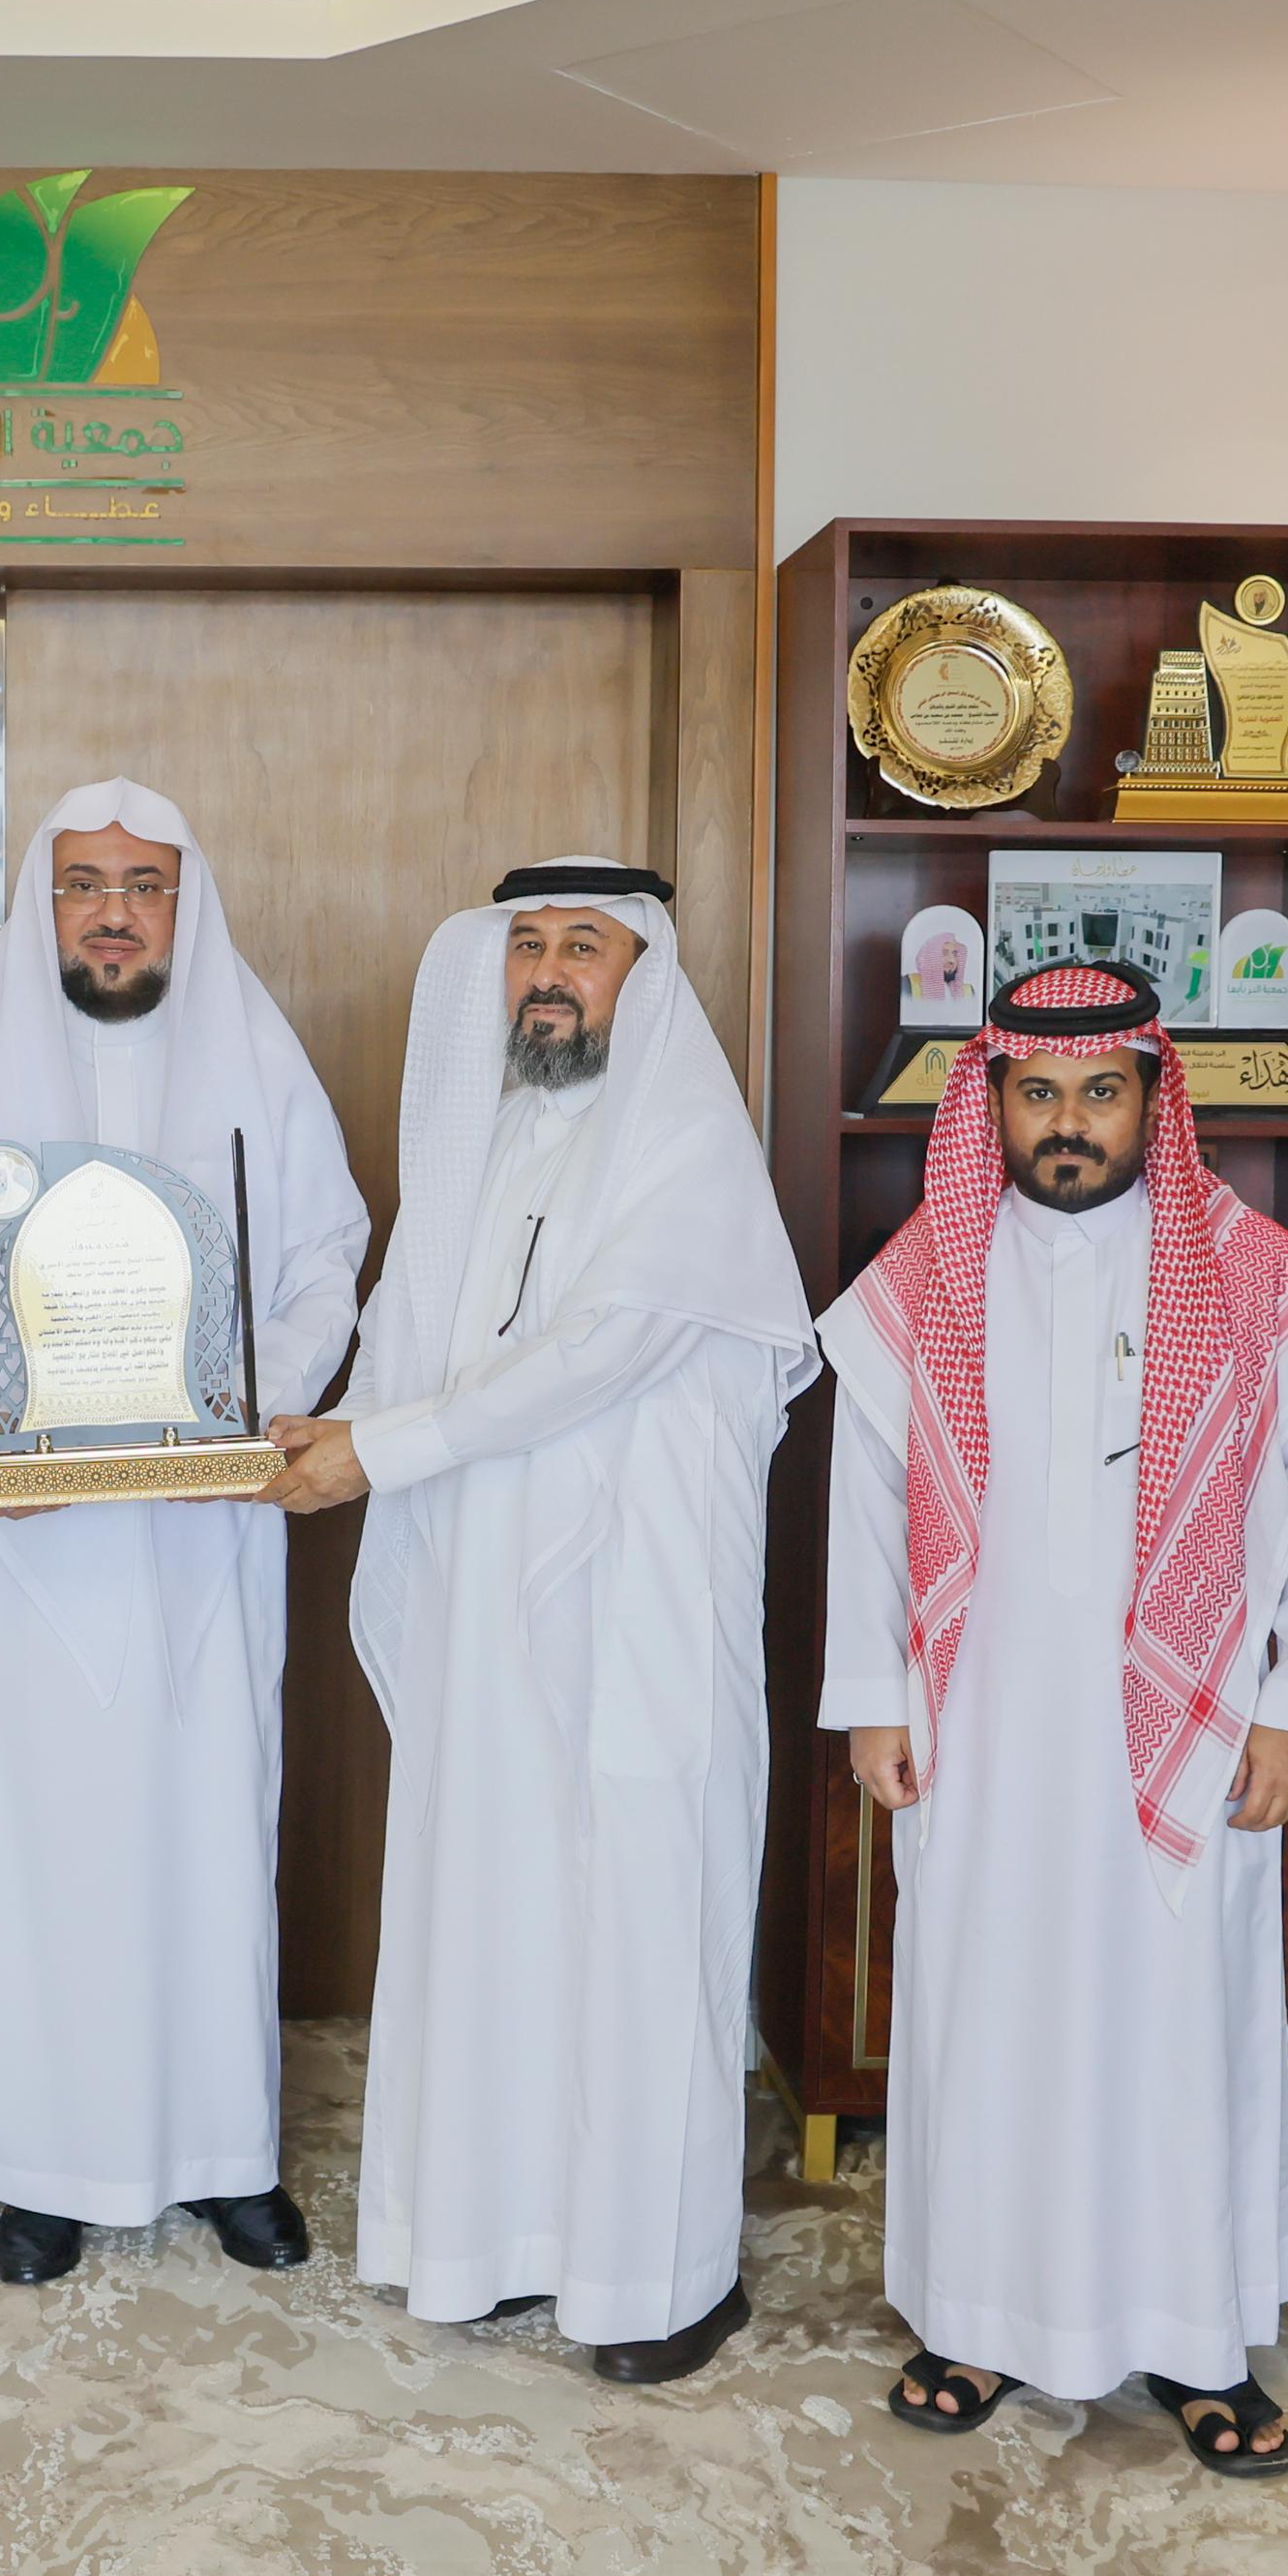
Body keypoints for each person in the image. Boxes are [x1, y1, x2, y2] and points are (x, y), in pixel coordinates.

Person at [820, 961, 1288, 2474]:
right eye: (1038, 1092)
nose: (1068, 1121)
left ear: (1152, 1099)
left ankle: (1197, 2338)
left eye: (1101, 1092)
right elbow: (866, 1494)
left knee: (1179, 2026)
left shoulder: (1249, 1273)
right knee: (984, 2011)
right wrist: (870, 1698)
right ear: (994, 1100)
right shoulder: (926, 1273)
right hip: (980, 1722)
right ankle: (977, 2318)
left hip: (1195, 1726)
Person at [261, 859, 813, 2383]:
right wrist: (338, 1429)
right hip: (487, 1610)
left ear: (646, 975)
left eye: (586, 944)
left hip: (636, 1613)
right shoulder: (488, 1138)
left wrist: (379, 1451)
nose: (551, 972)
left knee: (638, 1916)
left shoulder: (686, 1139)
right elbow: (411, 1322)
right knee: (493, 1905)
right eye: (527, 945)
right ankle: (495, 2238)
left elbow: (598, 1352)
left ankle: (660, 2278)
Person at [0, 778, 370, 2286]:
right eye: (85, 883)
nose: (113, 913)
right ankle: (43, 2168)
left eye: (144, 885)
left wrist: (250, 1409)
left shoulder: (256, 1055)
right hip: (28, 1542)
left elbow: (328, 1251)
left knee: (206, 1836)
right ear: (48, 901)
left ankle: (226, 2156)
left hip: (202, 1530)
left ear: (182, 903)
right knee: (43, 1844)